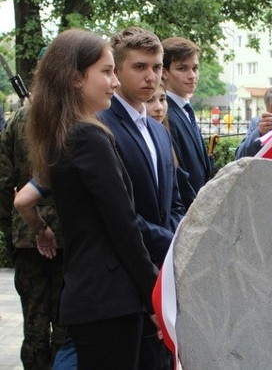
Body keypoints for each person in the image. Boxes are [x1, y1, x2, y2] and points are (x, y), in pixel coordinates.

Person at [24, 28, 159, 370]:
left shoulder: (64, 133)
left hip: (94, 297)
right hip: (110, 300)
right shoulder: (87, 137)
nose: (115, 82)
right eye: (107, 71)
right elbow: (123, 225)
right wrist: (155, 295)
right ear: (75, 79)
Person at [101, 26, 184, 370]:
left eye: (156, 67)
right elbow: (119, 214)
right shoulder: (101, 126)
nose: (151, 77)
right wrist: (174, 242)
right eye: (139, 67)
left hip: (164, 274)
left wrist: (181, 237)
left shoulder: (157, 129)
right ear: (117, 71)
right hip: (122, 282)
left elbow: (174, 201)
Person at [0, 105, 65, 370]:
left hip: (27, 233)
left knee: (34, 322)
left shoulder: (18, 119)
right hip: (68, 233)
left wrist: (12, 229)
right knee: (64, 324)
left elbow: (4, 181)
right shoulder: (71, 114)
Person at [162, 37, 213, 209]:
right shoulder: (164, 114)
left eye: (195, 68)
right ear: (164, 72)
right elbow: (179, 177)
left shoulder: (185, 110)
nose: (192, 76)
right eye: (182, 68)